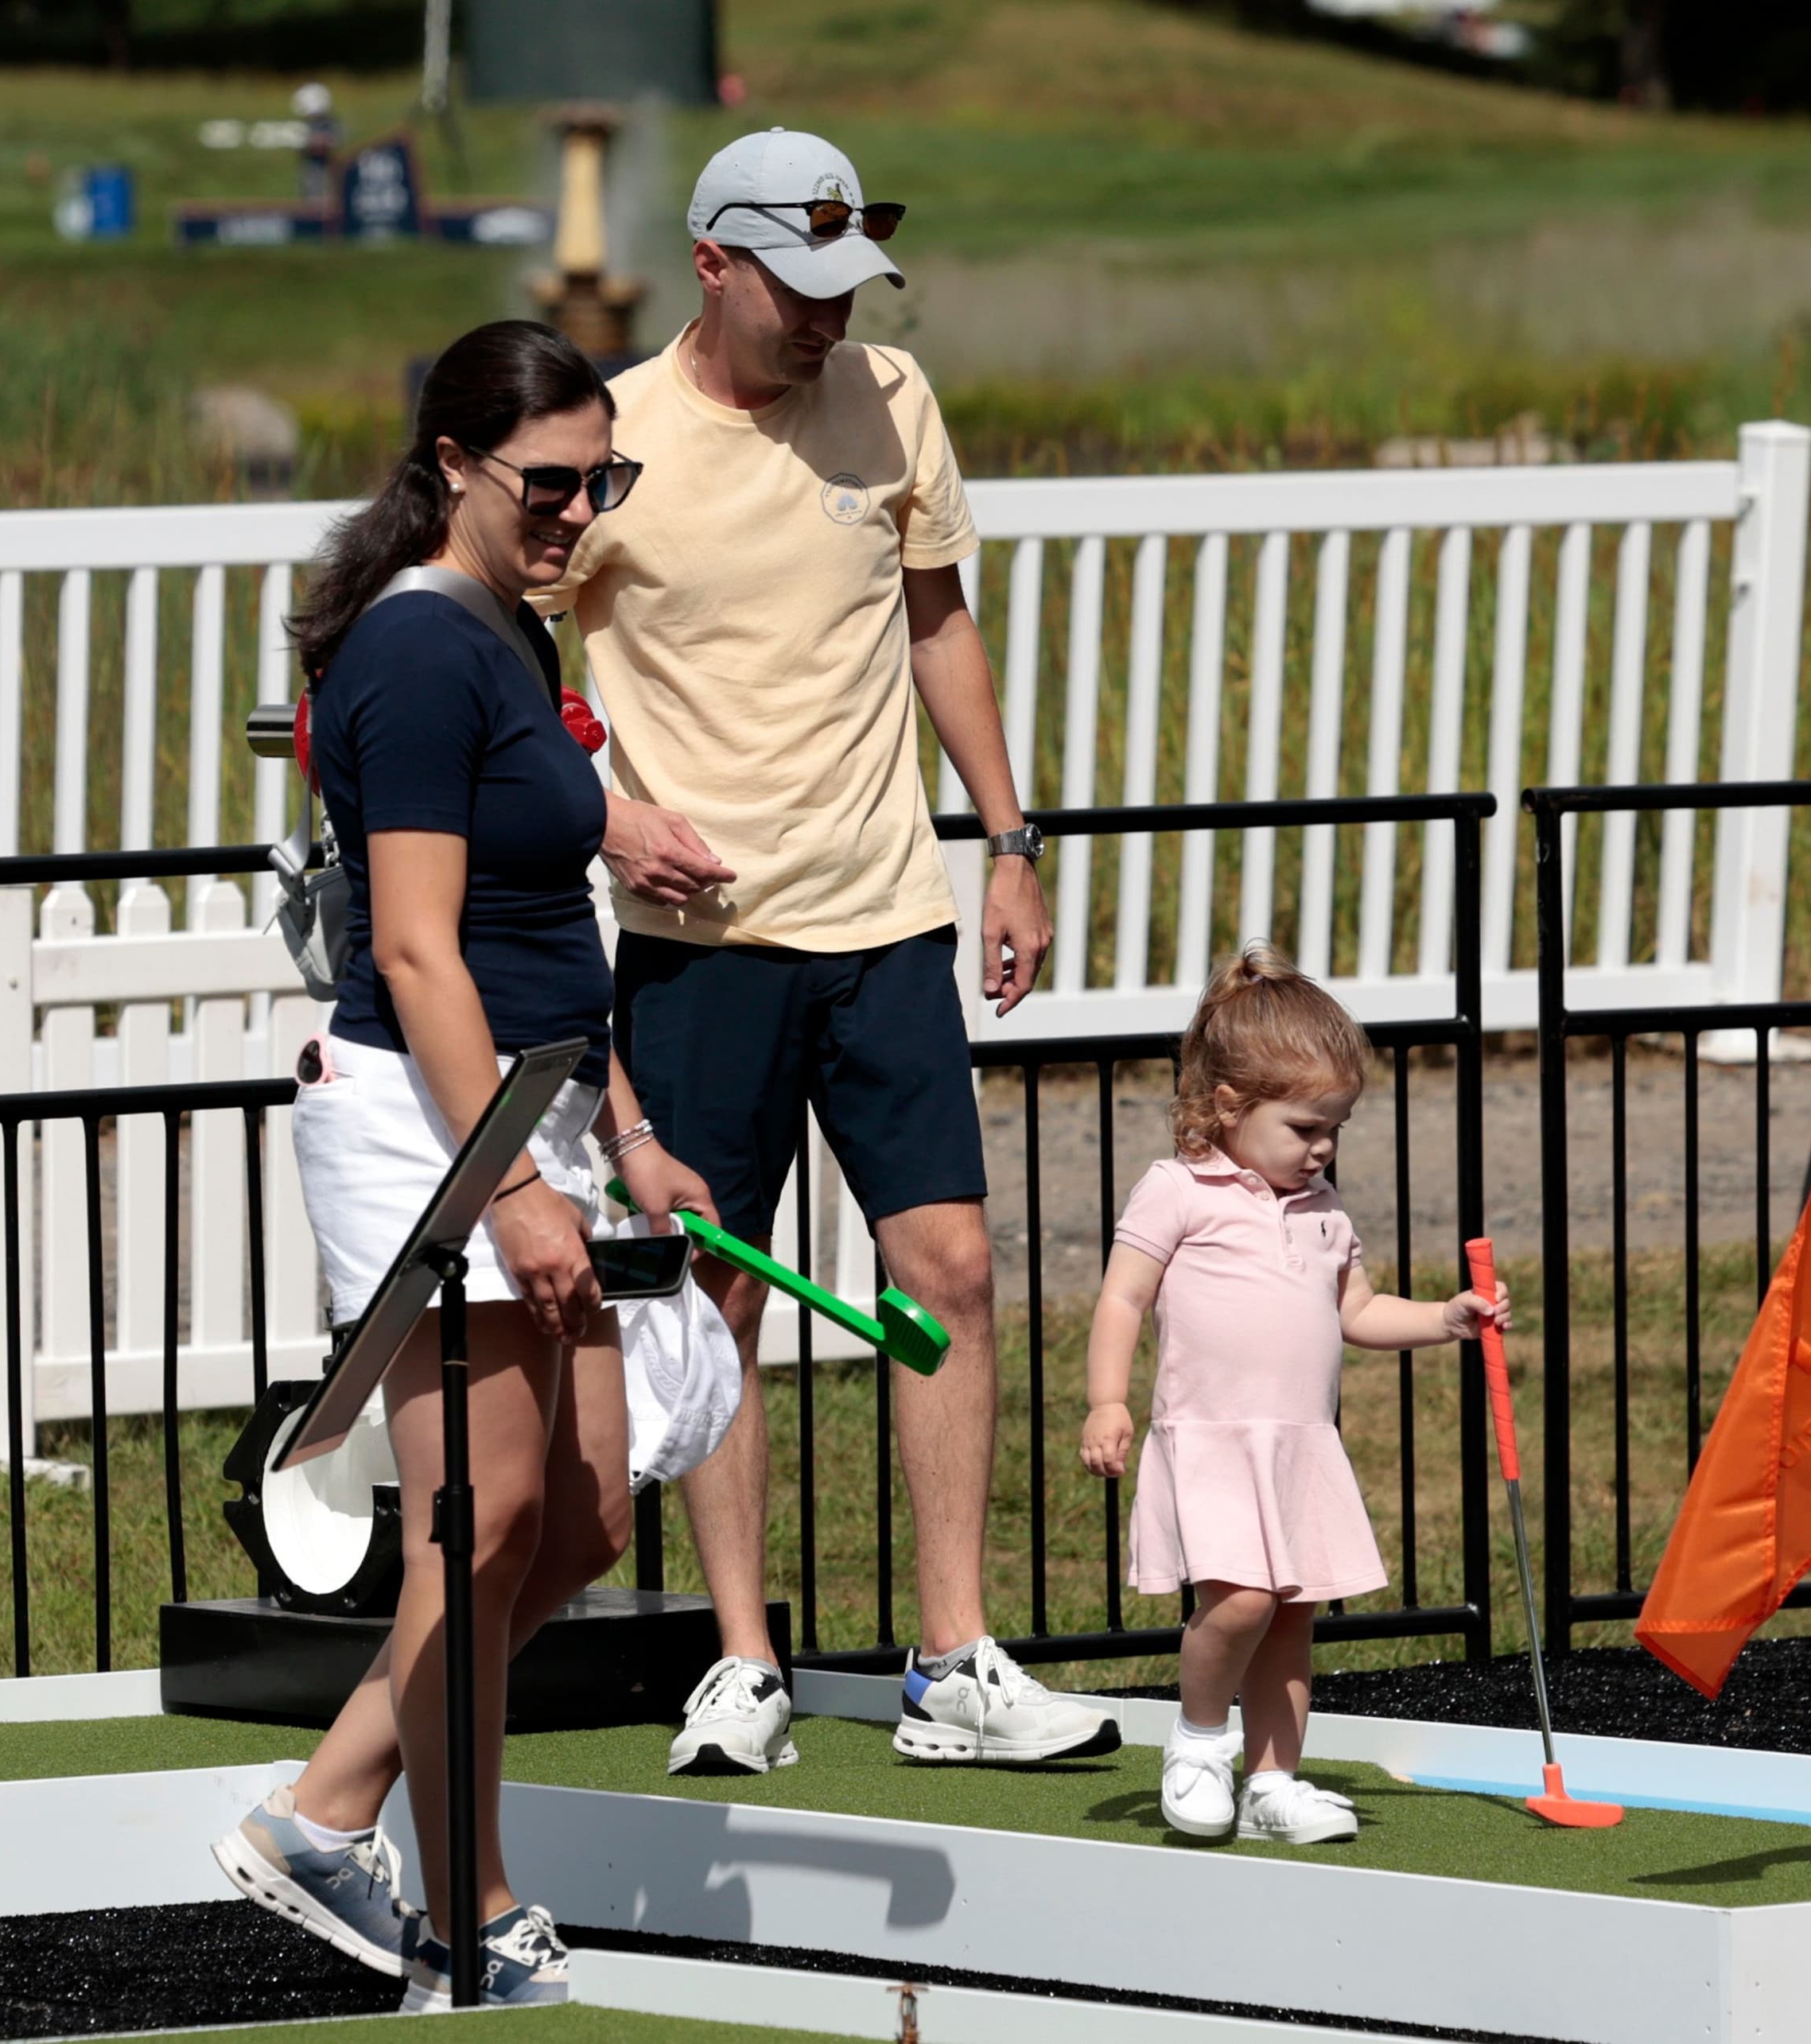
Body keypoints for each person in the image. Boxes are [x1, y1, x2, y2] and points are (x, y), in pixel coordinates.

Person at [542, 127, 1119, 1774]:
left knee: (950, 1272)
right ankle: (742, 1662)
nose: (822, 317)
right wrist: (602, 812)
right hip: (699, 941)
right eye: (794, 287)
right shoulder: (616, 440)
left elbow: (939, 620)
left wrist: (1010, 843)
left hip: (889, 922)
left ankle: (954, 1661)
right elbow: (511, 639)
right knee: (718, 1292)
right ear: (712, 267)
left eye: (844, 285)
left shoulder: (893, 394)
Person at [211, 319, 717, 2011]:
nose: (580, 512)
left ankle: (332, 1808)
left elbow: (546, 923)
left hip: (538, 1105)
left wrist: (628, 1134)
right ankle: (469, 1904)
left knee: (568, 1516)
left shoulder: (508, 627)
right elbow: (421, 951)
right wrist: (508, 1181)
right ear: (454, 467)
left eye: (603, 480)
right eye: (551, 482)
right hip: (432, 1121)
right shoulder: (423, 656)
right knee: (478, 1517)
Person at [1078, 948, 1510, 1844]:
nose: (1322, 1146)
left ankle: (1274, 1779)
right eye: (1306, 1125)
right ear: (1229, 1105)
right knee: (1237, 1600)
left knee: (1292, 1612)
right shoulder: (1178, 1189)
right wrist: (1106, 1400)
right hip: (1212, 1438)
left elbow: (1355, 1308)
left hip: (1299, 1443)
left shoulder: (1324, 1209)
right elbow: (1123, 1295)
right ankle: (1198, 1743)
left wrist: (1446, 1317)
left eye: (1335, 1127)